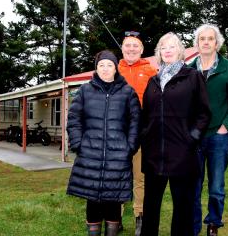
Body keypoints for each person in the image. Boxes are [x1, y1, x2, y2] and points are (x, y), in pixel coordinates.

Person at [140, 32, 211, 236]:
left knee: (183, 208)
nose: (168, 50)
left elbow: (204, 113)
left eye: (172, 46)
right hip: (154, 156)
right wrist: (145, 136)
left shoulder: (192, 77)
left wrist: (192, 137)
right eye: (163, 47)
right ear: (159, 53)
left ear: (180, 50)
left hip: (183, 155)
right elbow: (146, 116)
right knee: (151, 206)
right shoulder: (152, 82)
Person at [66, 50, 141, 236]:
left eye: (109, 65)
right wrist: (78, 144)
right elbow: (74, 118)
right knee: (92, 200)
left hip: (118, 157)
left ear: (116, 68)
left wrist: (130, 147)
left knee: (113, 201)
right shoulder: (84, 91)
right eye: (102, 65)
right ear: (96, 68)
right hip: (90, 155)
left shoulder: (127, 92)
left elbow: (136, 122)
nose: (106, 69)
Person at [189, 24, 228, 236]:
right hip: (193, 139)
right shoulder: (188, 69)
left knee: (216, 187)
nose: (205, 42)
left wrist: (225, 127)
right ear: (197, 43)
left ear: (217, 43)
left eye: (210, 39)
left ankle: (213, 225)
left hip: (217, 138)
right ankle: (192, 227)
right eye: (201, 39)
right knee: (192, 187)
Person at [118, 31, 157, 236]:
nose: (131, 49)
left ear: (142, 49)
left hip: (142, 132)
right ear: (122, 48)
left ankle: (139, 216)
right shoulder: (114, 70)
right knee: (118, 175)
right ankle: (116, 217)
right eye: (128, 45)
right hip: (119, 133)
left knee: (139, 176)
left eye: (135, 46)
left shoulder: (151, 70)